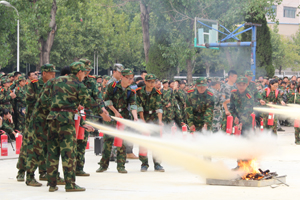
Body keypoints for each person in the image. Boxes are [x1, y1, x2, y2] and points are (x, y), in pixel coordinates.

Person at [46, 62, 111, 192]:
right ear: (79, 72)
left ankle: (52, 184)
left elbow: (43, 100)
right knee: (69, 152)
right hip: (66, 120)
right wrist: (102, 113)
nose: (85, 75)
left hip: (52, 118)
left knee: (52, 152)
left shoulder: (53, 82)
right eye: (84, 72)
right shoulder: (78, 85)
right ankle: (70, 184)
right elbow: (89, 101)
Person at [97, 69, 138, 174]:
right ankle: (103, 165)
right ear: (122, 77)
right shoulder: (112, 86)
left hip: (123, 118)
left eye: (131, 78)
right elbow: (107, 101)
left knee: (122, 142)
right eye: (128, 78)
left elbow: (133, 105)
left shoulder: (131, 91)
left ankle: (121, 166)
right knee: (108, 141)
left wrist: (135, 117)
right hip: (111, 117)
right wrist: (115, 112)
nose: (130, 80)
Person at [25, 64, 58, 187]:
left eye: (55, 73)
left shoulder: (53, 85)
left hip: (48, 120)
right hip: (38, 120)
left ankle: (45, 173)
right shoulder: (34, 84)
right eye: (51, 73)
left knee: (47, 149)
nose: (54, 75)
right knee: (35, 149)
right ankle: (29, 177)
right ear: (44, 73)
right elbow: (29, 100)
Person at [136, 74, 165, 172]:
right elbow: (139, 107)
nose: (153, 84)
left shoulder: (157, 92)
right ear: (146, 82)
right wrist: (143, 121)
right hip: (143, 116)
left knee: (156, 142)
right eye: (150, 82)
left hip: (154, 118)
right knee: (143, 142)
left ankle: (157, 164)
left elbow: (159, 107)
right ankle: (144, 164)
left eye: (154, 82)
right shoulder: (139, 92)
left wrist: (160, 121)